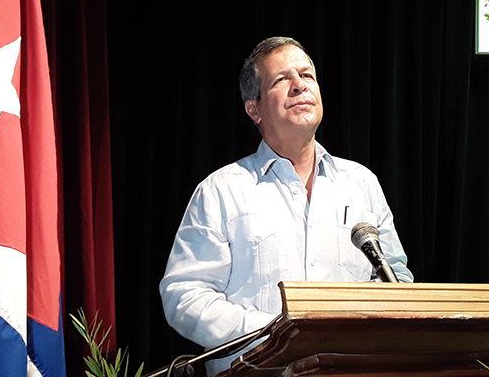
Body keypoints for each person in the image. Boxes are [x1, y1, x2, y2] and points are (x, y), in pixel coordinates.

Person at [159, 37, 413, 376]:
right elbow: (184, 294)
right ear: (254, 109)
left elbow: (396, 278)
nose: (299, 86)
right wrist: (275, 334)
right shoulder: (221, 190)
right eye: (282, 80)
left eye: (307, 75)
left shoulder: (361, 183)